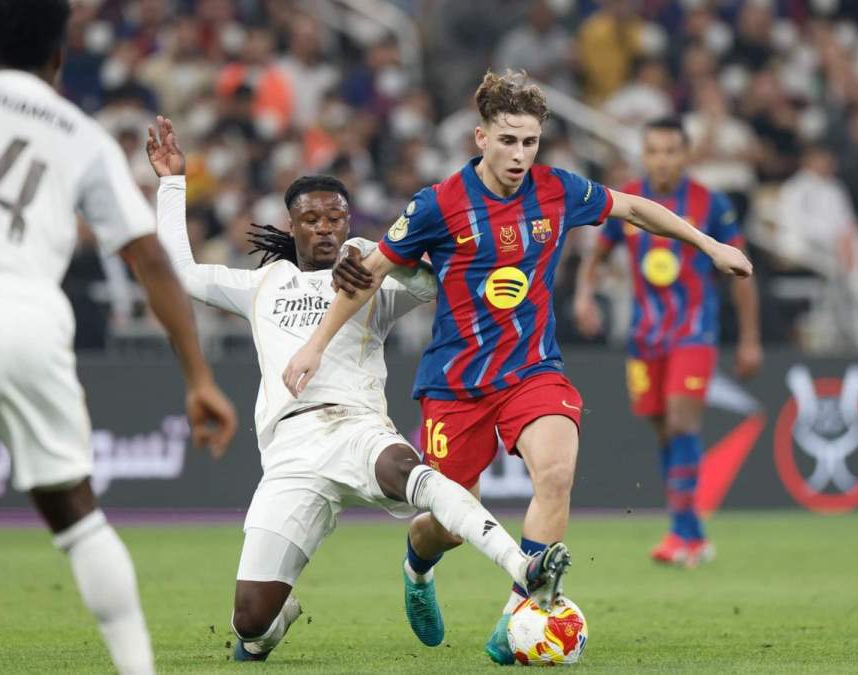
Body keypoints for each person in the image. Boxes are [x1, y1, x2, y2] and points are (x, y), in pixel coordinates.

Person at [281, 69, 752, 665]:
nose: (520, 155)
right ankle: (417, 565)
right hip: (456, 385)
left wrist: (709, 246)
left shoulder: (558, 191)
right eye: (508, 141)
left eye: (530, 142)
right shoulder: (439, 203)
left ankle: (515, 620)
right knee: (448, 525)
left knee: (555, 473)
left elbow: (632, 208)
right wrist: (316, 344)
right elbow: (369, 274)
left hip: (533, 371)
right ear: (481, 137)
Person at [144, 117, 571, 663]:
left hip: (358, 429)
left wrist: (388, 257)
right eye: (312, 219)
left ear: (348, 221)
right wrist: (171, 183)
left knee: (414, 473)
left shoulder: (371, 274)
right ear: (292, 225)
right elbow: (179, 273)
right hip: (291, 455)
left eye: (335, 217)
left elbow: (439, 281)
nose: (325, 228)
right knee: (250, 625)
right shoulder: (261, 285)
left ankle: (524, 569)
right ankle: (274, 622)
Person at [0, 2, 239, 674]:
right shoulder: (79, 132)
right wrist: (199, 379)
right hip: (36, 320)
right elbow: (150, 260)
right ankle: (137, 666)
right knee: (77, 514)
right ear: (59, 59)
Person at [573, 117, 762, 567]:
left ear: (686, 153)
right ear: (644, 153)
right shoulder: (630, 202)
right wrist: (584, 296)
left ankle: (681, 534)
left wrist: (749, 338)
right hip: (645, 337)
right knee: (663, 430)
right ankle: (693, 533)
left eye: (670, 150)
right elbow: (596, 253)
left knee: (681, 422)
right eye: (653, 150)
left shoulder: (709, 203)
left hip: (694, 332)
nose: (661, 159)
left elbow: (741, 272)